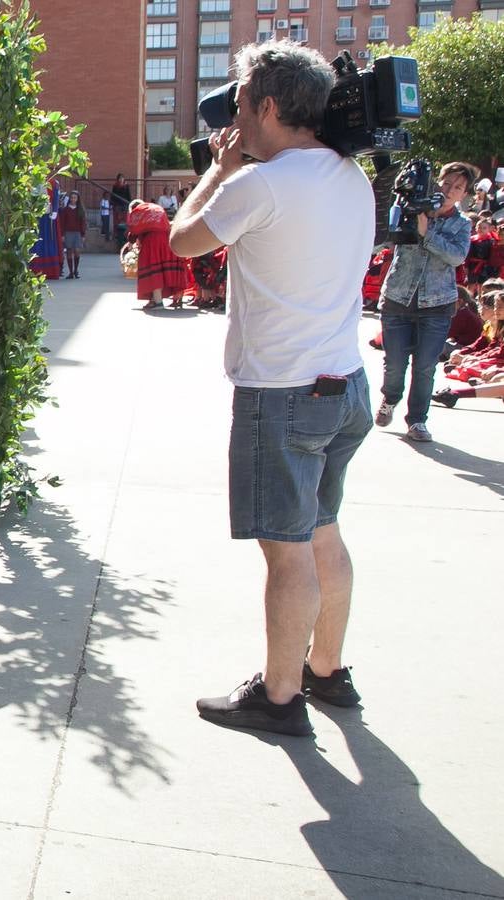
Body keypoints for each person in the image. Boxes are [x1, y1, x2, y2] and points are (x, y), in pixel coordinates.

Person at [169, 40, 376, 738]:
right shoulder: (351, 177)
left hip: (280, 394)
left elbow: (181, 241)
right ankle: (327, 670)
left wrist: (218, 171)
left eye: (239, 103)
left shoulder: (258, 183)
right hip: (343, 386)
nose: (235, 119)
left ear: (264, 104)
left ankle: (280, 698)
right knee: (322, 533)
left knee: (286, 551)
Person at [374, 161, 477, 442]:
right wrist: (408, 211)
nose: (449, 190)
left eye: (457, 188)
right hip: (398, 296)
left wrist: (427, 234)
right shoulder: (412, 208)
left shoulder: (462, 223)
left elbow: (457, 256)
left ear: (464, 194)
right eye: (446, 183)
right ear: (436, 182)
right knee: (395, 362)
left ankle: (417, 420)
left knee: (425, 366)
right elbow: (385, 238)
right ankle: (390, 398)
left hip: (438, 303)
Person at [129, 199, 188, 309]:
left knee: (154, 272)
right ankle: (173, 298)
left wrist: (131, 240)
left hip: (152, 243)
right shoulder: (155, 208)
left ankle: (158, 301)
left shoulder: (139, 213)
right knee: (164, 271)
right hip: (167, 240)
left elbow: (133, 234)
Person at [57, 191, 86, 278]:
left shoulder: (80, 209)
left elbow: (83, 223)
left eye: (75, 198)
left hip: (77, 233)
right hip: (68, 233)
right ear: (70, 199)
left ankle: (76, 270)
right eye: (72, 197)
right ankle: (70, 272)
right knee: (69, 251)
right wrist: (62, 235)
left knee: (77, 251)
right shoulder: (65, 210)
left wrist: (83, 235)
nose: (73, 199)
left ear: (77, 199)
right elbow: (62, 223)